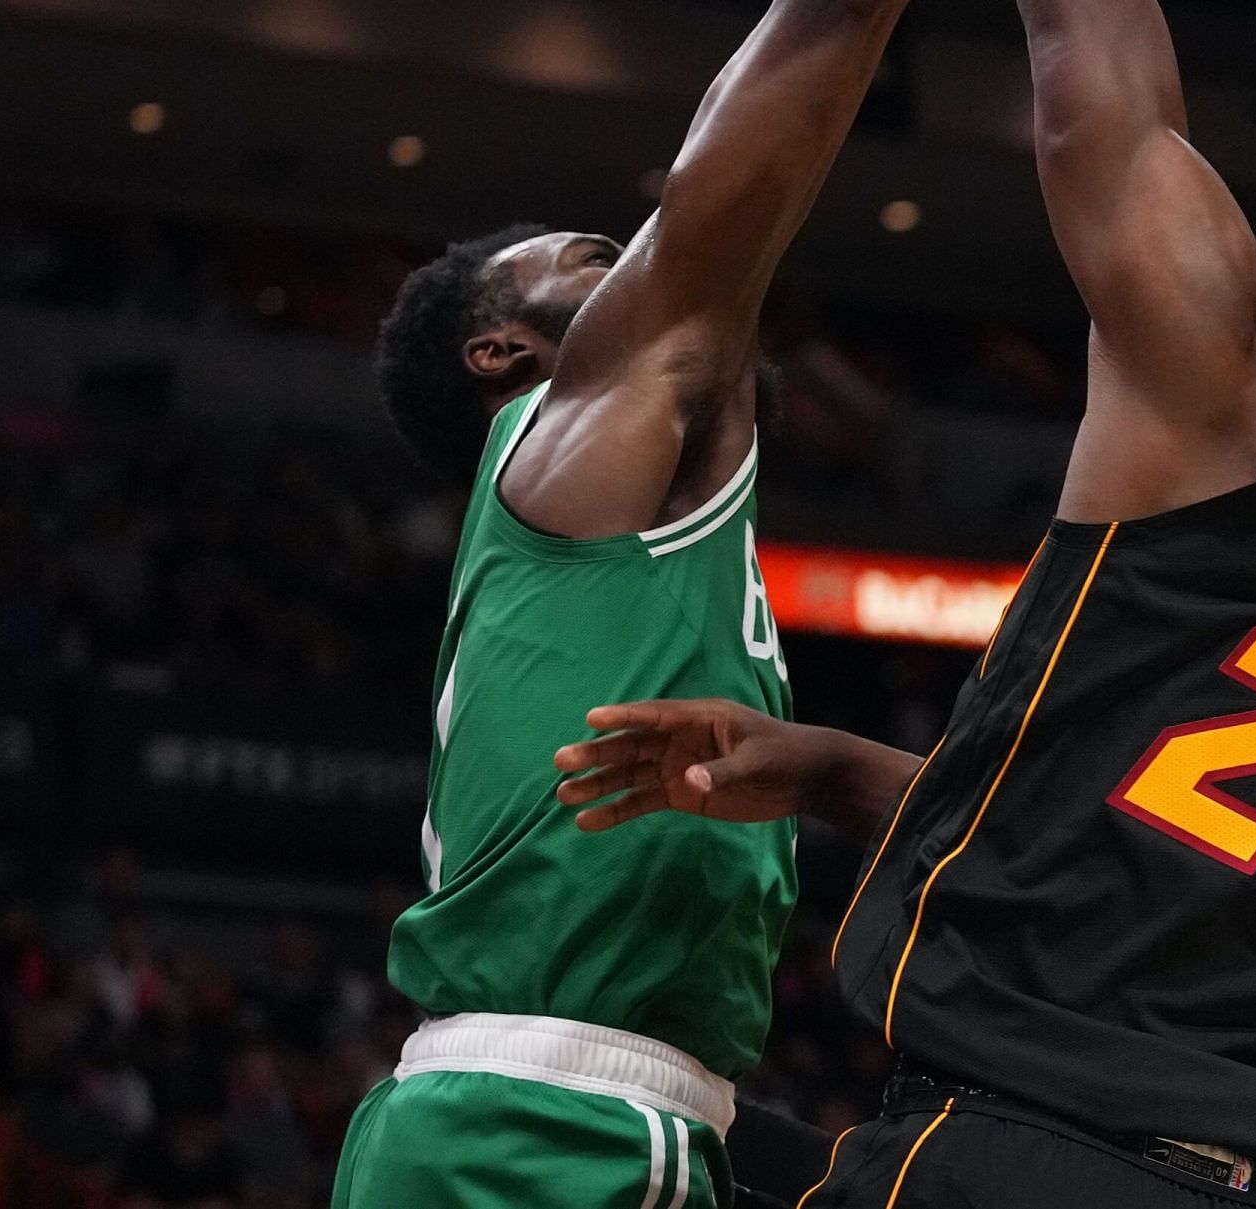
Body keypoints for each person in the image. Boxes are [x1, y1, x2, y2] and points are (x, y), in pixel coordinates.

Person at [552, 0, 1256, 1205]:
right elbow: (1152, 855)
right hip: (1226, 1176)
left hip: (1028, 1151)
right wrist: (827, 770)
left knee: (565, 1140)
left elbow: (1103, 107)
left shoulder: (1231, 400)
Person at [333, 2, 913, 1206]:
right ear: (502, 355)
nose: (625, 258)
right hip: (539, 1121)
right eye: (591, 263)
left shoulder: (635, 530)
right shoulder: (559, 453)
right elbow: (718, 217)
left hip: (587, 1116)